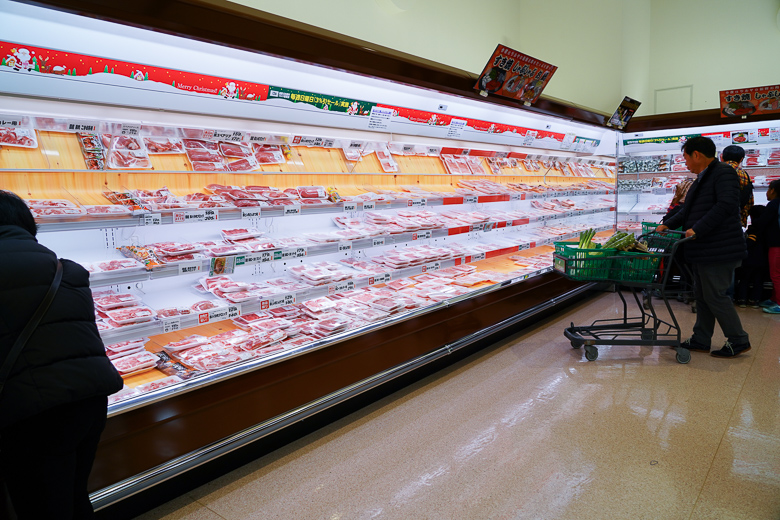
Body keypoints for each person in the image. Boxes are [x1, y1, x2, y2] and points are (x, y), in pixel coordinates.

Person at [0, 190, 124, 519]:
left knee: (40, 509)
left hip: (30, 412)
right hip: (89, 400)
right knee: (74, 496)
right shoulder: (66, 269)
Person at [656, 136, 750, 358]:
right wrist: (667, 224)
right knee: (702, 295)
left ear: (696, 154)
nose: (685, 162)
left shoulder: (723, 172)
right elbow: (686, 210)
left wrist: (698, 228)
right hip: (704, 249)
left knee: (715, 295)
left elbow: (726, 205)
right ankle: (701, 339)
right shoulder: (701, 178)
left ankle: (738, 339)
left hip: (718, 249)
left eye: (686, 157)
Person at [753, 179, 780, 314]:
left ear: (773, 190)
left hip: (776, 245)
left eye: (769, 189)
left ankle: (779, 303)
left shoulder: (773, 205)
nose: (767, 192)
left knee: (775, 274)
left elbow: (761, 223)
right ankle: (775, 299)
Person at [734, 205, 767, 308]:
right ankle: (755, 300)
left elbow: (749, 244)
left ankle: (742, 299)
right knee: (758, 281)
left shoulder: (752, 230)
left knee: (745, 280)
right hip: (762, 261)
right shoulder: (766, 231)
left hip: (749, 260)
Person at [721, 145, 754, 227]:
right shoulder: (744, 175)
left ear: (722, 157)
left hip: (715, 223)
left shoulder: (714, 171)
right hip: (737, 222)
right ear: (741, 159)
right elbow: (750, 203)